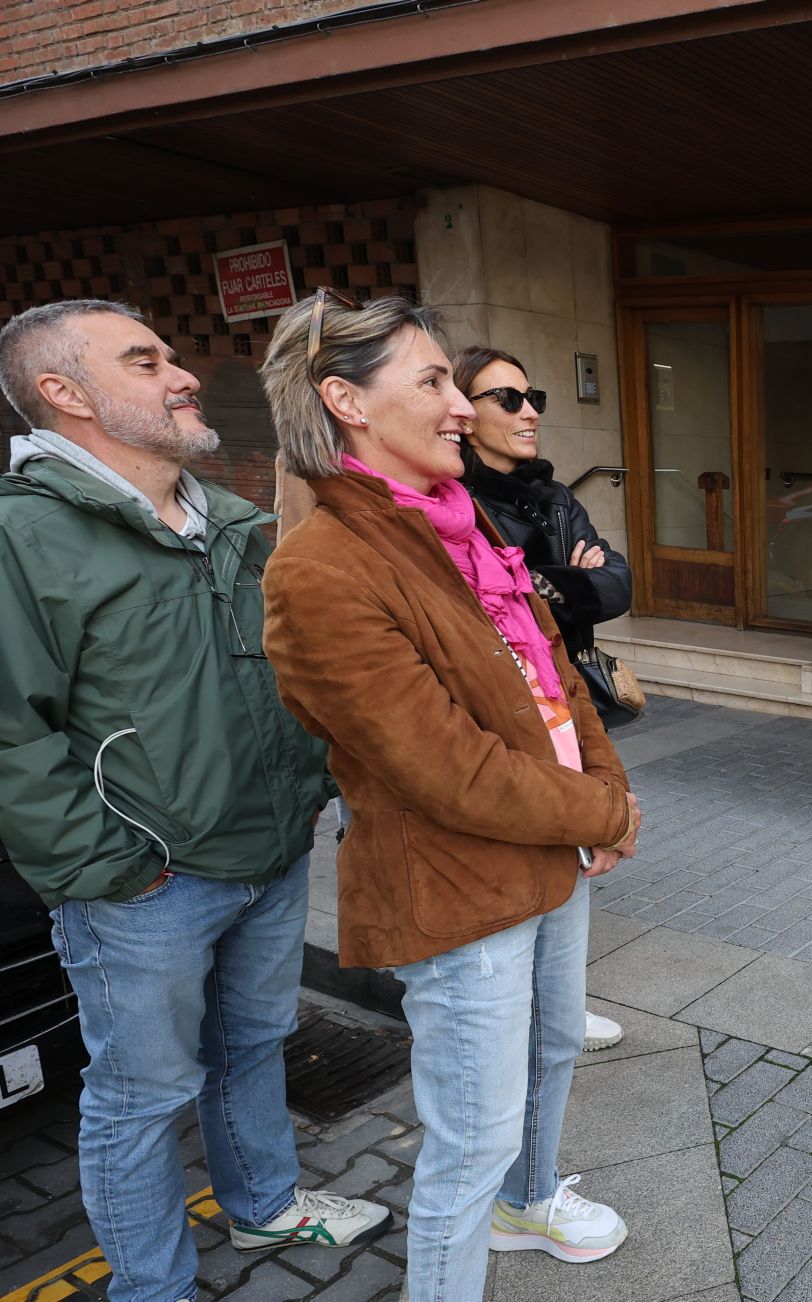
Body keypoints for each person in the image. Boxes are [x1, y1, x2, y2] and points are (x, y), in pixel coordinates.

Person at [0, 300, 389, 1302]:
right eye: (145, 360)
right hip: (144, 890)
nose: (182, 375)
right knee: (139, 1098)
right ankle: (153, 1289)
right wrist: (112, 872)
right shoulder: (23, 537)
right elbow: (12, 737)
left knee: (253, 1044)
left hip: (268, 852)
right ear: (64, 393)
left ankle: (263, 1207)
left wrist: (306, 792)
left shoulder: (234, 520)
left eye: (172, 355)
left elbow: (295, 669)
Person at [258, 291, 639, 1300]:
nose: (462, 405)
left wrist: (606, 785)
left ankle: (533, 1202)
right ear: (344, 399)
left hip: (551, 842)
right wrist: (605, 812)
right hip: (456, 880)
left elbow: (554, 675)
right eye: (431, 382)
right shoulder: (321, 567)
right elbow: (445, 767)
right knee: (469, 1143)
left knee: (555, 1042)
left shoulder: (459, 525)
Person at [454, 344, 632, 1055]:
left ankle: (558, 1003)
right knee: (514, 855)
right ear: (463, 415)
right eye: (508, 399)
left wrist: (552, 582)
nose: (529, 412)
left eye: (535, 398)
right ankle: (515, 1011)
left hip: (563, 697)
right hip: (496, 711)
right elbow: (491, 611)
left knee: (572, 852)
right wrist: (561, 579)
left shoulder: (553, 497)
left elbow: (616, 584)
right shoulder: (454, 500)